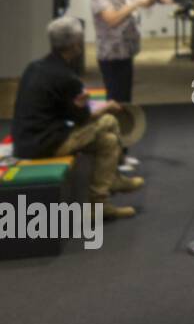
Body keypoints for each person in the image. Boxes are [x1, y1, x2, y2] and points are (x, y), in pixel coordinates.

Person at [11, 18, 143, 219]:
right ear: (75, 45)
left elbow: (62, 110)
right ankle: (113, 178)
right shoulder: (66, 77)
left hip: (24, 141)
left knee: (107, 142)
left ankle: (99, 205)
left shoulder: (35, 66)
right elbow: (81, 119)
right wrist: (106, 107)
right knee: (109, 121)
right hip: (46, 144)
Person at [90, 0, 171, 169]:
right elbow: (112, 19)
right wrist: (134, 4)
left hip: (125, 55)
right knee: (115, 105)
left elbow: (143, 2)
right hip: (111, 58)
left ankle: (122, 154)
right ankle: (113, 157)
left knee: (124, 104)